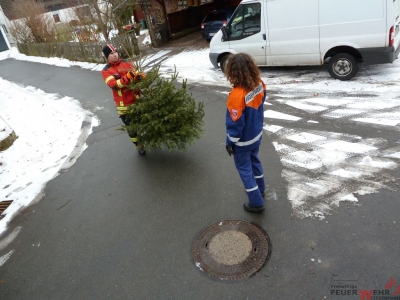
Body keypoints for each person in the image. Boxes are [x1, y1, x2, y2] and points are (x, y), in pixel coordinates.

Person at [224, 53, 267, 213]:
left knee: (244, 169)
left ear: (232, 72)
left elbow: (235, 125)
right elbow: (262, 100)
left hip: (242, 142)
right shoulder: (259, 84)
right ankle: (260, 189)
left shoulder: (237, 95)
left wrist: (230, 142)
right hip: (256, 135)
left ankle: (256, 202)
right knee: (255, 161)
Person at [101, 44, 146, 155]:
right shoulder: (106, 71)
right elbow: (114, 85)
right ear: (107, 56)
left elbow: (135, 78)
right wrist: (128, 77)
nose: (115, 54)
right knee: (132, 129)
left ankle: (151, 139)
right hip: (124, 106)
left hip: (137, 101)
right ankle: (139, 145)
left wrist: (140, 77)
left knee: (144, 122)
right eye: (111, 53)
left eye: (115, 51)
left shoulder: (127, 63)